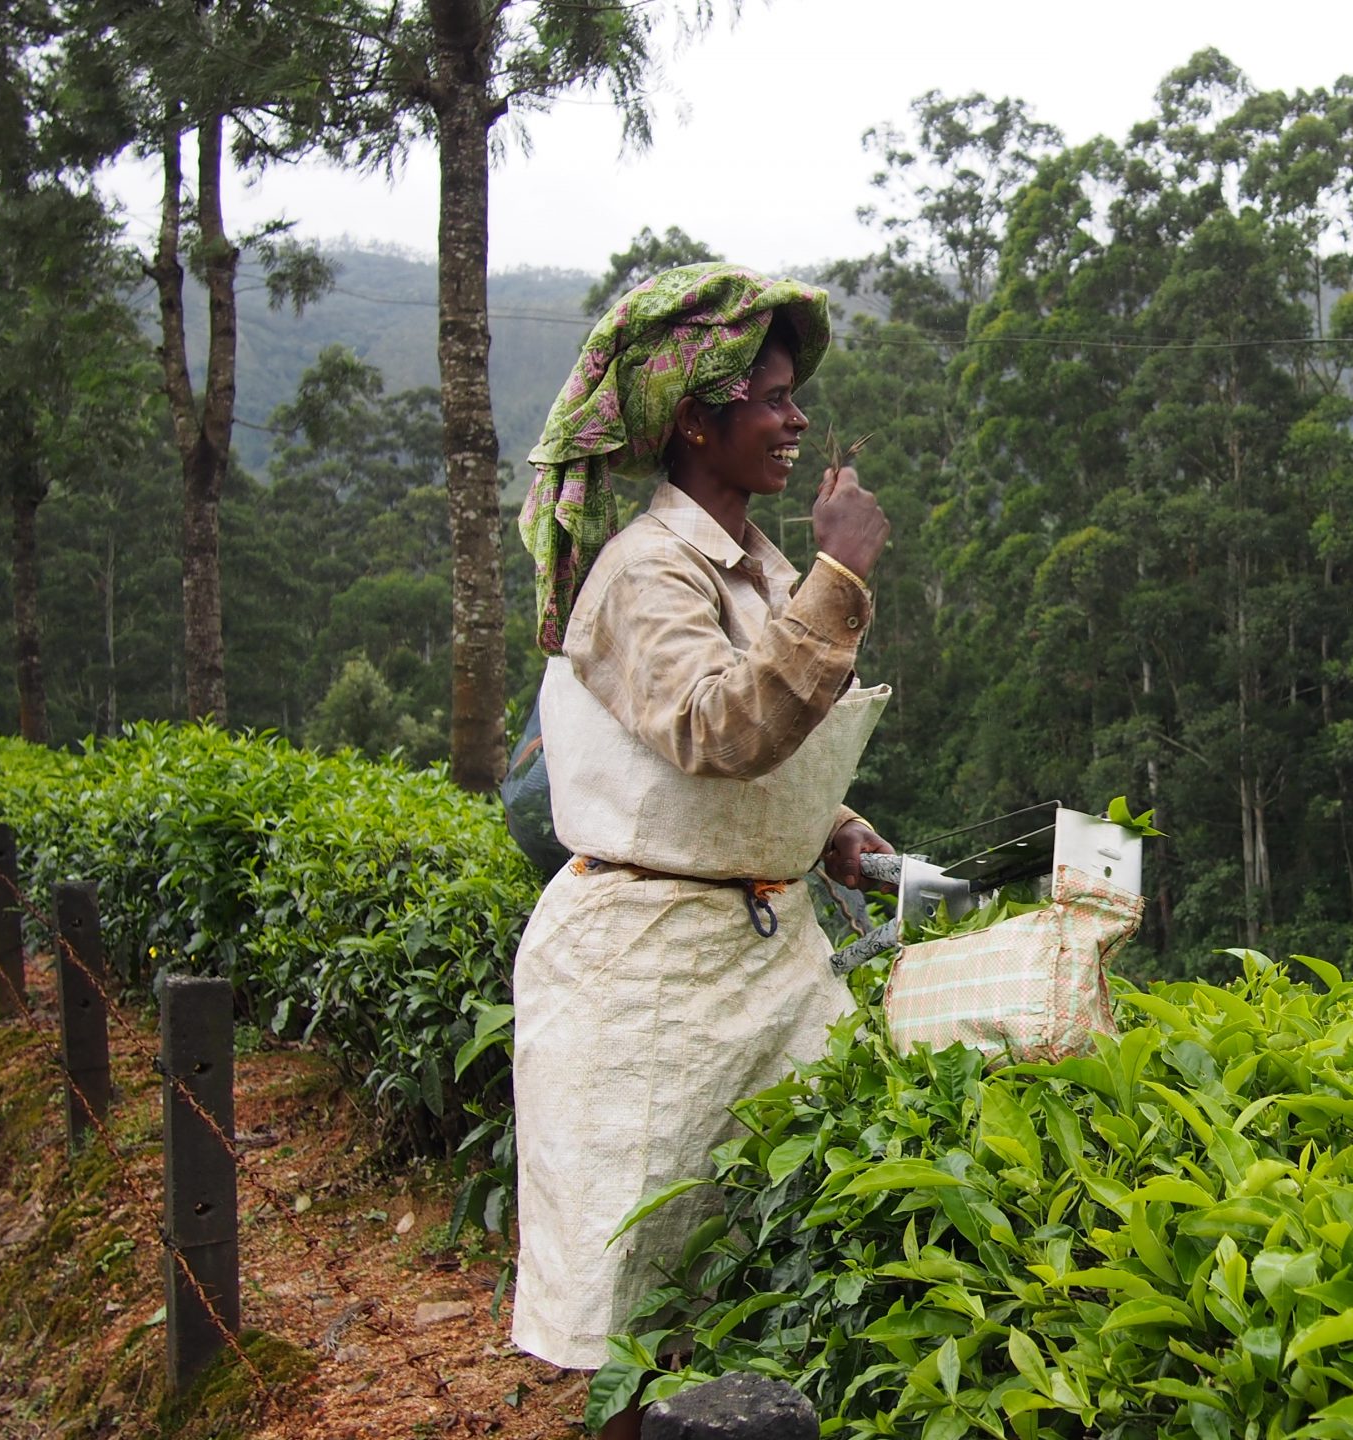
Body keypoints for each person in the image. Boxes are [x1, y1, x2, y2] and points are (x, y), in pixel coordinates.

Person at [506, 263, 893, 1437]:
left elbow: (706, 767)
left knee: (764, 1241)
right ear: (694, 421)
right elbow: (715, 726)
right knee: (631, 1294)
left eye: (794, 396)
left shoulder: (754, 564)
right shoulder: (645, 571)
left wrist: (823, 825)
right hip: (646, 970)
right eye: (770, 398)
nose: (796, 419)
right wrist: (841, 576)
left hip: (757, 953)